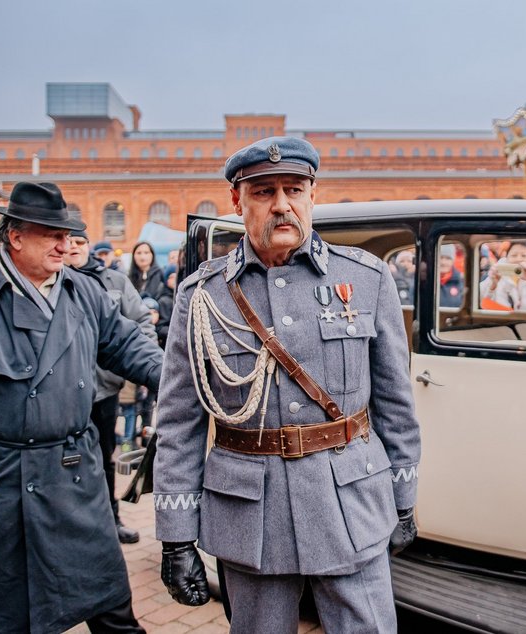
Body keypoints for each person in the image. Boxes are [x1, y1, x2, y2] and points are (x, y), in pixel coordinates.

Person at [153, 137, 421, 632]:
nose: (281, 205)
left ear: (312, 194)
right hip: (251, 516)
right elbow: (178, 423)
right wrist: (175, 536)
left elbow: (395, 404)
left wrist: (404, 496)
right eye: (263, 192)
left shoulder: (366, 279)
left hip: (351, 501)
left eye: (293, 189)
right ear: (237, 201)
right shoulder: (202, 295)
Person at [0, 181, 164, 633]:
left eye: (68, 234)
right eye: (51, 233)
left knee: (110, 604)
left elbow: (129, 345)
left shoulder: (84, 292)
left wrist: (180, 380)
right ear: (15, 236)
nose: (65, 244)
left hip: (72, 475)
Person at [65, 220, 158, 544]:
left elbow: (140, 325)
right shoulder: (51, 282)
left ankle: (110, 519)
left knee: (105, 457)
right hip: (61, 393)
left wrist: (144, 371)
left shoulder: (114, 281)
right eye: (69, 241)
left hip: (102, 390)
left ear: (88, 245)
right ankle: (71, 527)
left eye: (80, 241)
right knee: (63, 461)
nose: (73, 247)